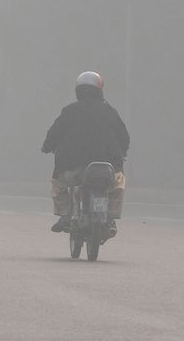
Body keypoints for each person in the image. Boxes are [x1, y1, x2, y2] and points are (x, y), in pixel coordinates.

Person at [41, 70, 130, 233]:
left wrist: (46, 147)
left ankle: (66, 215)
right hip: (107, 170)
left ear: (78, 91)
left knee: (58, 185)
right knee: (118, 185)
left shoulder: (69, 111)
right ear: (100, 90)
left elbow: (54, 133)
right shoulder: (109, 111)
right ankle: (110, 218)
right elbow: (124, 137)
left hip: (72, 170)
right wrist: (122, 152)